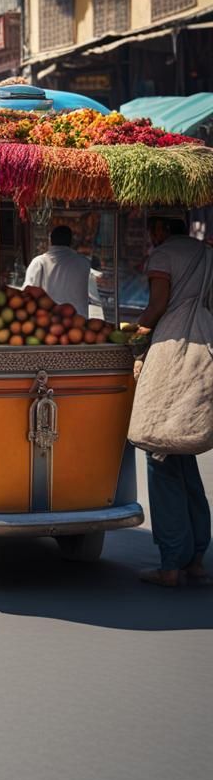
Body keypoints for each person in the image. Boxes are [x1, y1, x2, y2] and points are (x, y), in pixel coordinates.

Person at [135, 216, 212, 588]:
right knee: (184, 456)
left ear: (161, 230)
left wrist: (135, 333)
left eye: (152, 230)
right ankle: (196, 557)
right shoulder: (207, 254)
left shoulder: (164, 255)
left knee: (160, 453)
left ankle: (170, 564)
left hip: (171, 352)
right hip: (204, 349)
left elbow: (157, 306)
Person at [23, 225, 91, 315]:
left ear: (50, 241)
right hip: (78, 320)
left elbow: (27, 293)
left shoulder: (39, 262)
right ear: (71, 242)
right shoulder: (84, 263)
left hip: (48, 319)